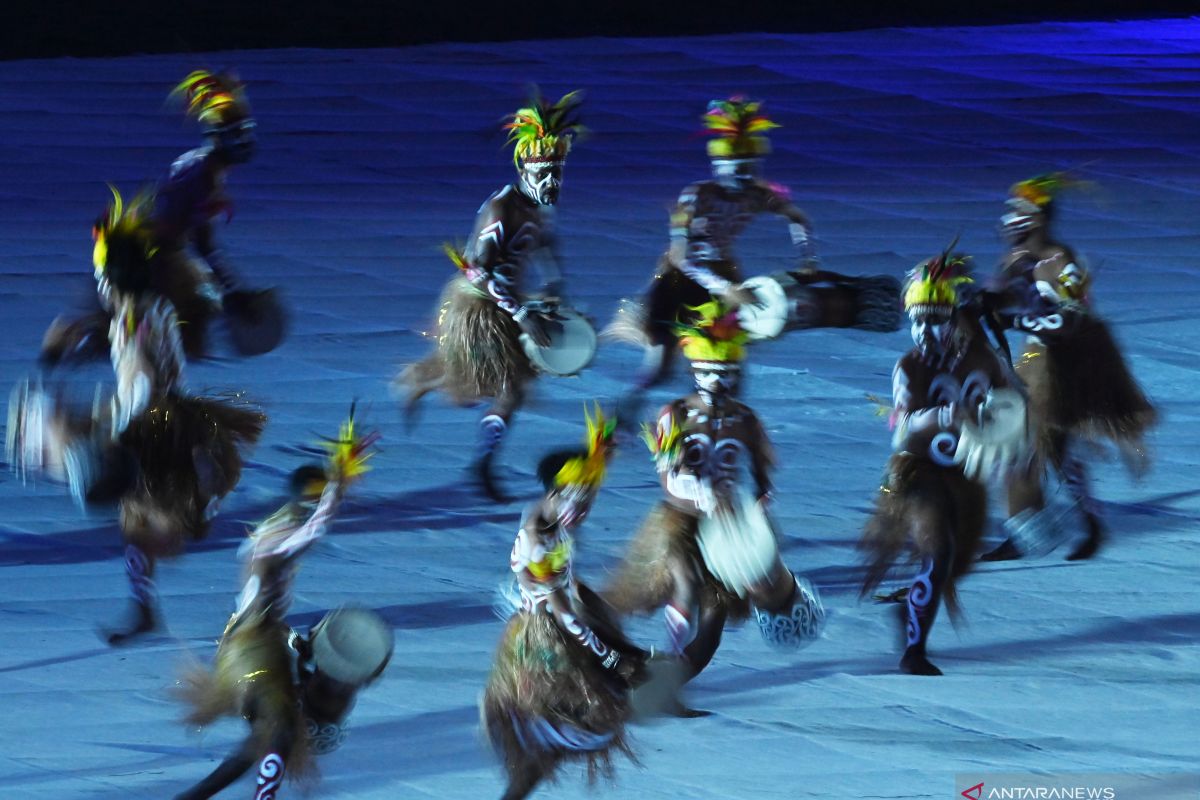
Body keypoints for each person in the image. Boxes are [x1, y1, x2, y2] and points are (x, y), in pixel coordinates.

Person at [9, 187, 264, 644]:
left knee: (148, 524)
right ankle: (145, 607)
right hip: (174, 420)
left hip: (156, 428)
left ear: (109, 279)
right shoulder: (148, 309)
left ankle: (236, 596)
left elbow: (142, 384)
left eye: (99, 274)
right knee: (137, 526)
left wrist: (111, 432)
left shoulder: (131, 324)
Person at [605, 96, 899, 423]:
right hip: (678, 284)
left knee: (729, 362)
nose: (744, 175)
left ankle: (716, 426)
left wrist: (808, 262)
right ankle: (623, 416)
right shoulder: (696, 195)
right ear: (721, 165)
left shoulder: (759, 194)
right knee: (659, 364)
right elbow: (681, 256)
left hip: (725, 277)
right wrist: (725, 288)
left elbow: (798, 218)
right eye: (738, 166)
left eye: (749, 166)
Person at [606, 302, 825, 687]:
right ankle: (638, 661)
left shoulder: (744, 419)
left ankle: (668, 682)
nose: (716, 381)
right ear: (694, 370)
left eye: (725, 373)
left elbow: (760, 477)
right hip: (681, 522)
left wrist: (757, 511)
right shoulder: (673, 415)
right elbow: (670, 479)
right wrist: (706, 496)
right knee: (686, 585)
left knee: (714, 620)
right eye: (708, 372)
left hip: (727, 530)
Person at [175, 415, 391, 800]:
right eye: (316, 498)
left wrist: (297, 644)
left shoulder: (276, 527)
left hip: (258, 639)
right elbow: (316, 530)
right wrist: (336, 489)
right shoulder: (277, 540)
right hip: (249, 649)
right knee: (281, 728)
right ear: (308, 499)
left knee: (271, 734)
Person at [399, 91, 585, 501]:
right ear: (524, 169)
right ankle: (422, 381)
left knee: (510, 389)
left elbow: (546, 246)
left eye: (558, 172)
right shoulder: (502, 210)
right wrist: (521, 313)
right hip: (477, 308)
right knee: (479, 384)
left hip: (511, 303)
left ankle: (482, 463)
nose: (552, 182)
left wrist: (556, 290)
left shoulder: (539, 208)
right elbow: (474, 270)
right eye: (545, 173)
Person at [859, 248, 1028, 675]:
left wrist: (1007, 429)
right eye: (916, 320)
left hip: (963, 471)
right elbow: (900, 430)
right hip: (918, 471)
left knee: (955, 562)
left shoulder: (981, 357)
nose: (923, 330)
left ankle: (909, 613)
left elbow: (1014, 399)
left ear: (954, 317)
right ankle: (913, 651)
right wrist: (946, 415)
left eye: (934, 319)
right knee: (939, 551)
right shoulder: (909, 367)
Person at [40, 69, 281, 364]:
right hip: (154, 256)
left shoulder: (197, 162)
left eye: (246, 131)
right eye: (238, 134)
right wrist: (232, 290)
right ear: (220, 138)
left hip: (142, 248)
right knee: (185, 316)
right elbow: (202, 243)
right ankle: (79, 345)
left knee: (158, 323)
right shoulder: (207, 177)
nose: (245, 141)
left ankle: (75, 341)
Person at [978, 173, 1156, 561]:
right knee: (1037, 450)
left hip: (1062, 364)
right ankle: (1049, 526)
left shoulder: (1062, 262)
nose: (1009, 221)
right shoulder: (1013, 260)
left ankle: (1073, 525)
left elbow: (1071, 320)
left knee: (1043, 448)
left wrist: (1017, 321)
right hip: (1031, 361)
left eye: (1018, 213)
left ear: (1039, 218)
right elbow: (998, 298)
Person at [482, 406, 647, 800]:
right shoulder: (540, 541)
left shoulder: (554, 514)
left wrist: (600, 455)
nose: (585, 509)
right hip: (547, 639)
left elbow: (581, 491)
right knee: (573, 726)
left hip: (561, 616)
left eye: (590, 498)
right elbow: (564, 613)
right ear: (554, 494)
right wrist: (608, 657)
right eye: (578, 499)